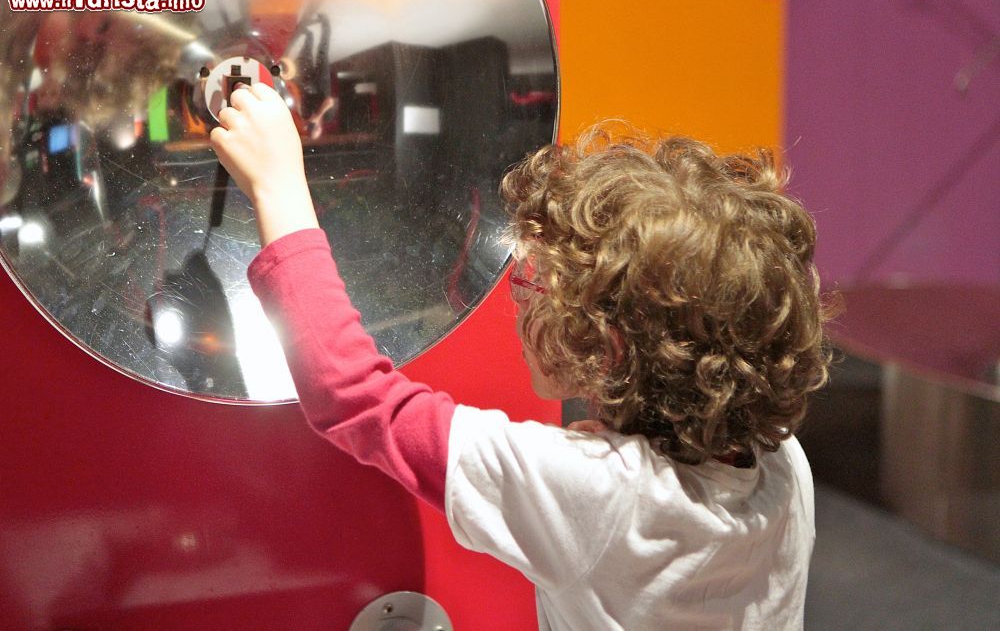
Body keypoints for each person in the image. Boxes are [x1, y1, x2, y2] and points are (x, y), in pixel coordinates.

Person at [210, 82, 834, 630]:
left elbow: (352, 393)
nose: (522, 295)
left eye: (536, 285)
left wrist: (278, 184)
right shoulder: (783, 466)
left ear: (606, 348)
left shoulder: (597, 491)